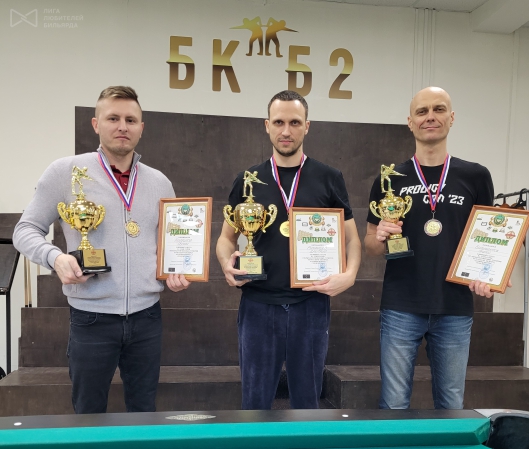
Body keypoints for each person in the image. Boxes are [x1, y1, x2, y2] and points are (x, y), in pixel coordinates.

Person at [13, 86, 190, 414]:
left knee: (144, 412)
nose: (122, 126)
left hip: (147, 317)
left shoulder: (160, 182)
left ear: (141, 128)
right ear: (96, 124)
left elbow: (172, 241)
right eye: (113, 118)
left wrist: (175, 270)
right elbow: (24, 230)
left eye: (130, 120)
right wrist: (56, 257)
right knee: (88, 413)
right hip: (91, 317)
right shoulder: (65, 172)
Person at [216, 90, 362, 410]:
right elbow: (226, 239)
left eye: (294, 122)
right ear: (267, 125)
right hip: (258, 304)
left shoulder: (329, 178)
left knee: (307, 403)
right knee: (255, 404)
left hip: (310, 304)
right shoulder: (248, 180)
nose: (286, 131)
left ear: (307, 126)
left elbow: (352, 239)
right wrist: (228, 264)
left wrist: (350, 275)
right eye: (279, 122)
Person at [364, 86, 495, 409]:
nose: (430, 117)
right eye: (422, 112)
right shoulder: (389, 179)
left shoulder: (476, 176)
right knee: (393, 405)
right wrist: (380, 237)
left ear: (452, 118)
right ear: (410, 122)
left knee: (450, 404)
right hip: (401, 305)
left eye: (439, 109)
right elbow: (370, 246)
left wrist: (487, 274)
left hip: (455, 306)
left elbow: (487, 239)